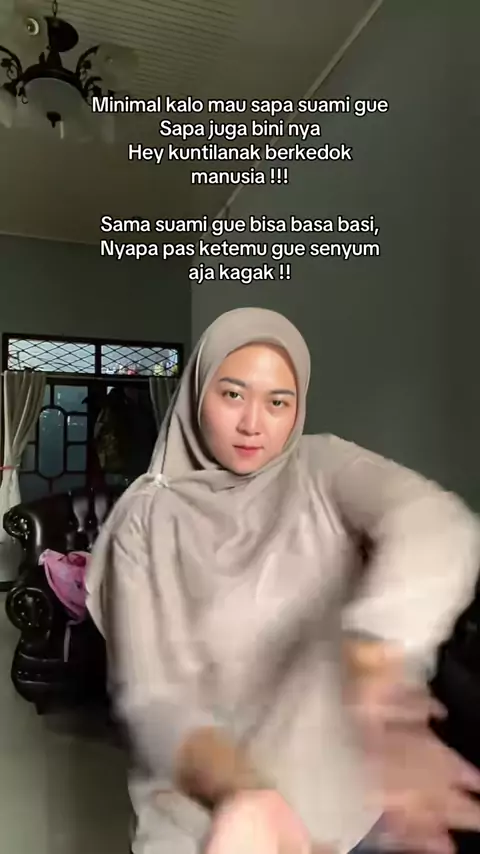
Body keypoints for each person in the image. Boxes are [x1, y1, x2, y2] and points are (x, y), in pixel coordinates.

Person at [86, 307, 480, 854]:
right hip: (208, 826)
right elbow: (154, 699)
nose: (254, 423)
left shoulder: (321, 467)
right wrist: (245, 795)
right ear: (197, 392)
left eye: (278, 402)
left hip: (348, 811)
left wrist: (379, 662)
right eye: (233, 394)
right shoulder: (145, 520)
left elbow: (433, 522)